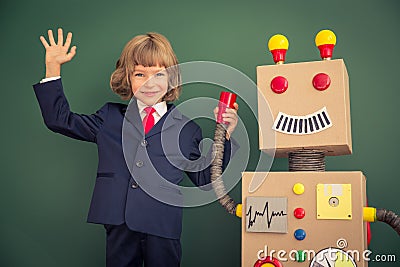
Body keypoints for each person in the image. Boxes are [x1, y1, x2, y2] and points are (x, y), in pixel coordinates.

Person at [33, 28, 239, 267]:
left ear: (171, 78)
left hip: (163, 224)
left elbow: (205, 178)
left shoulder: (187, 129)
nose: (149, 83)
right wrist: (52, 68)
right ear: (127, 78)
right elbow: (60, 120)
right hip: (119, 220)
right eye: (140, 74)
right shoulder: (108, 117)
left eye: (159, 75)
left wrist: (224, 136)